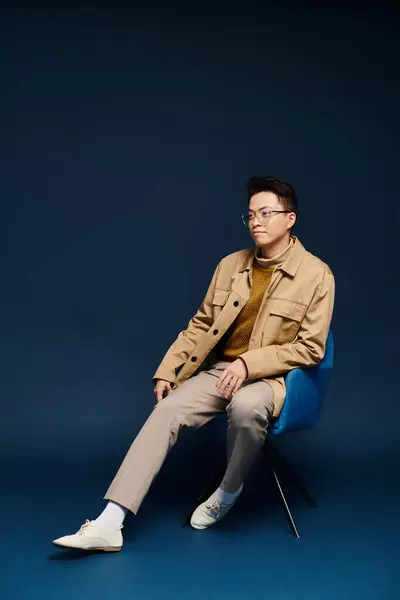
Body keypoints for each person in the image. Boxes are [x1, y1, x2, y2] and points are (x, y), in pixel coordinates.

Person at [53, 175, 335, 552]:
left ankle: (228, 491)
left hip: (277, 381)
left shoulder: (317, 275)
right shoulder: (230, 265)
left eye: (266, 213)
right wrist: (170, 369)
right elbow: (201, 324)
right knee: (167, 410)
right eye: (250, 214)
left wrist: (249, 365)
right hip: (222, 372)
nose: (256, 221)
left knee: (247, 406)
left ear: (290, 219)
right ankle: (110, 522)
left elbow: (312, 348)